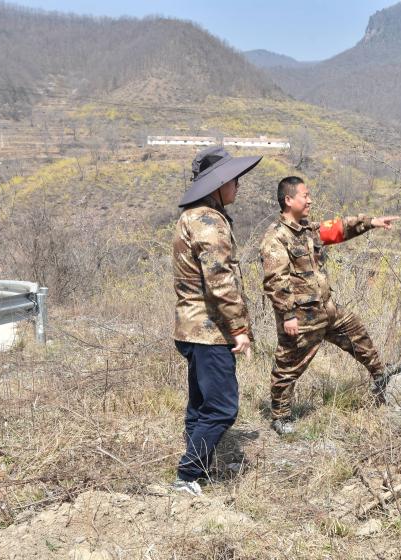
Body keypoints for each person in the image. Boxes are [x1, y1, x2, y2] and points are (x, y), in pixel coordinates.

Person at [260, 176, 400, 435]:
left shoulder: (307, 231)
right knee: (288, 366)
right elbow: (275, 281)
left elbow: (338, 228)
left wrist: (371, 222)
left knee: (357, 332)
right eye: (305, 195)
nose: (310, 199)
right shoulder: (277, 238)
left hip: (327, 311)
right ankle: (280, 416)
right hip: (301, 318)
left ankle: (381, 376)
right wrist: (288, 315)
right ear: (289, 200)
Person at [171, 146, 260, 496]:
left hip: (190, 328)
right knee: (223, 407)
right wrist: (239, 328)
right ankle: (188, 474)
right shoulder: (209, 222)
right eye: (233, 180)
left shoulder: (191, 217)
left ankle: (198, 472)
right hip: (209, 331)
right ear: (218, 184)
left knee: (200, 405)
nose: (238, 186)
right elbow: (220, 280)